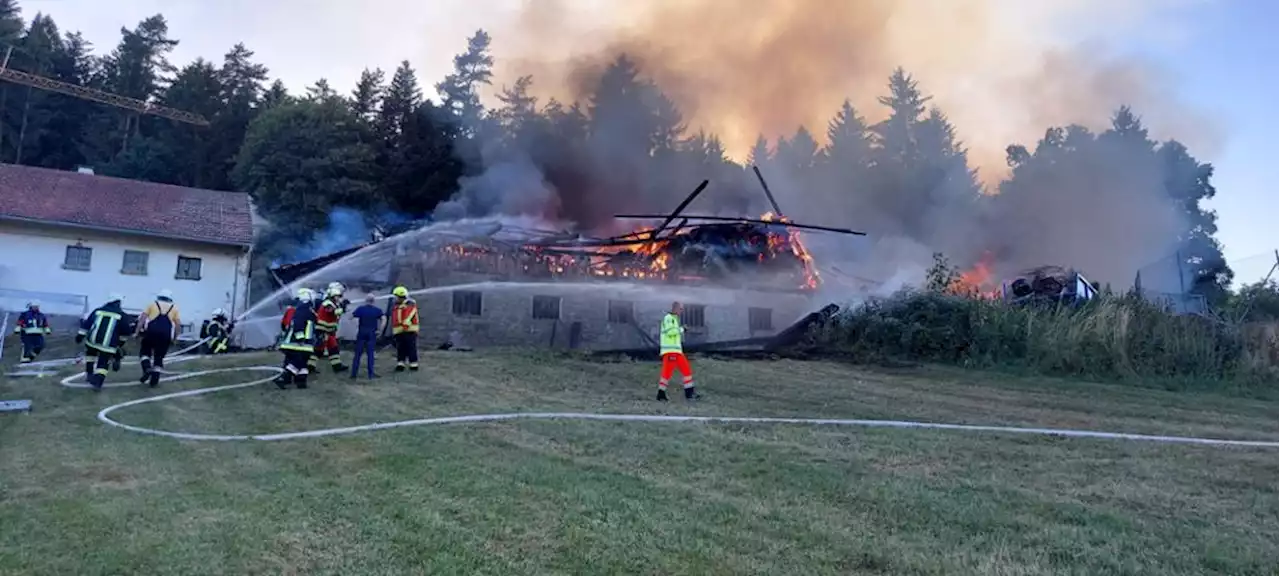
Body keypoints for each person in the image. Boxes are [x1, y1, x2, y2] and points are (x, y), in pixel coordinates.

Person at [76, 294, 136, 391]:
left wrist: (80, 336)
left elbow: (86, 324)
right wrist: (120, 344)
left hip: (92, 341)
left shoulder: (98, 310)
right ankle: (98, 382)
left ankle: (90, 374)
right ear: (118, 303)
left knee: (90, 356)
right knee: (103, 363)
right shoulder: (122, 315)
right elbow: (126, 332)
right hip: (108, 345)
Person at [274, 288, 318, 389]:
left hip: (303, 342)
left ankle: (301, 381)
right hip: (299, 343)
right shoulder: (303, 309)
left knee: (303, 362)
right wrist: (300, 337)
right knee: (299, 362)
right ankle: (283, 378)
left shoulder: (306, 308)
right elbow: (298, 323)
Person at [136, 289, 180, 388]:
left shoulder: (152, 305)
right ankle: (154, 381)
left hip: (151, 333)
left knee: (144, 352)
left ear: (159, 296)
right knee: (159, 357)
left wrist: (137, 332)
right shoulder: (174, 309)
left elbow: (142, 319)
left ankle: (146, 368)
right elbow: (178, 325)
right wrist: (175, 338)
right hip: (165, 335)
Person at [657, 301, 699, 401]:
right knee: (668, 373)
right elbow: (670, 332)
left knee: (685, 370)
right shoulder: (669, 318)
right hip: (671, 351)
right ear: (675, 308)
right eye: (680, 309)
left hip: (676, 351)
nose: (681, 311)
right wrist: (682, 329)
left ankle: (689, 393)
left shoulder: (674, 319)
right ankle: (661, 394)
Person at [313, 282, 350, 374]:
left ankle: (337, 366)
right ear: (333, 295)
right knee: (319, 350)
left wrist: (342, 307)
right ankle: (309, 367)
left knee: (333, 349)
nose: (339, 298)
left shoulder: (333, 304)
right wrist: (342, 307)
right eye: (338, 296)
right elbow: (331, 311)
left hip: (330, 332)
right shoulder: (327, 303)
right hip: (323, 331)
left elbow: (336, 312)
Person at [349, 293, 384, 379]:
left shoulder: (361, 309)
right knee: (370, 354)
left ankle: (354, 374)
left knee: (357, 354)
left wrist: (355, 326)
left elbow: (350, 317)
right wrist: (380, 330)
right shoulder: (377, 310)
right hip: (371, 333)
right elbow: (384, 319)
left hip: (362, 332)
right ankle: (370, 375)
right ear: (374, 301)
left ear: (366, 300)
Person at [390, 285, 420, 371]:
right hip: (399, 331)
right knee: (400, 348)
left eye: (396, 296)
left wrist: (405, 326)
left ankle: (413, 364)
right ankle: (400, 364)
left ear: (401, 296)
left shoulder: (409, 304)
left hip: (409, 330)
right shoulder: (396, 305)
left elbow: (409, 316)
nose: (395, 298)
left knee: (411, 347)